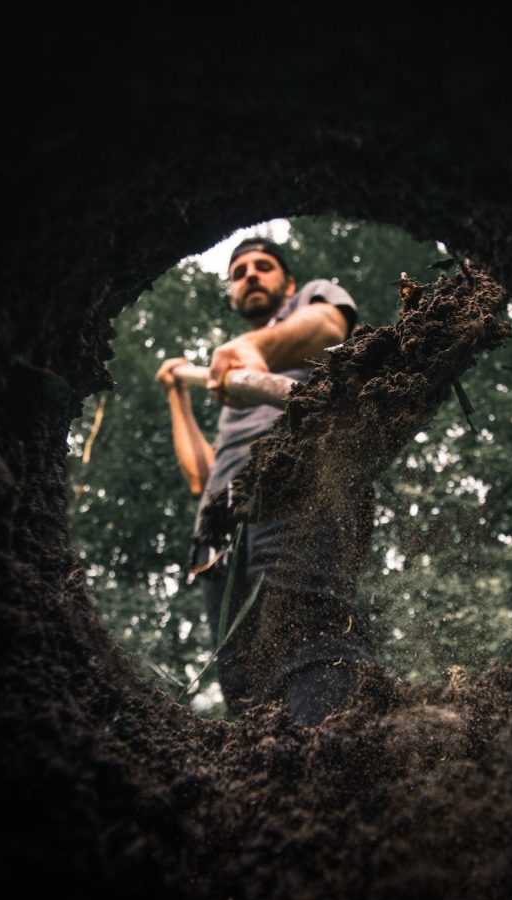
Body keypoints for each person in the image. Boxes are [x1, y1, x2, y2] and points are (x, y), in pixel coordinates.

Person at [156, 238, 374, 725]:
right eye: (239, 271)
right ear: (232, 292)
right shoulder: (230, 373)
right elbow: (200, 475)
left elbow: (329, 327)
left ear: (289, 283)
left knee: (307, 626)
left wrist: (254, 346)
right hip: (219, 523)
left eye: (264, 266)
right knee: (240, 674)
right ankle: (273, 780)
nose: (250, 274)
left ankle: (341, 755)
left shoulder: (308, 306)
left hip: (297, 472)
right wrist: (178, 396)